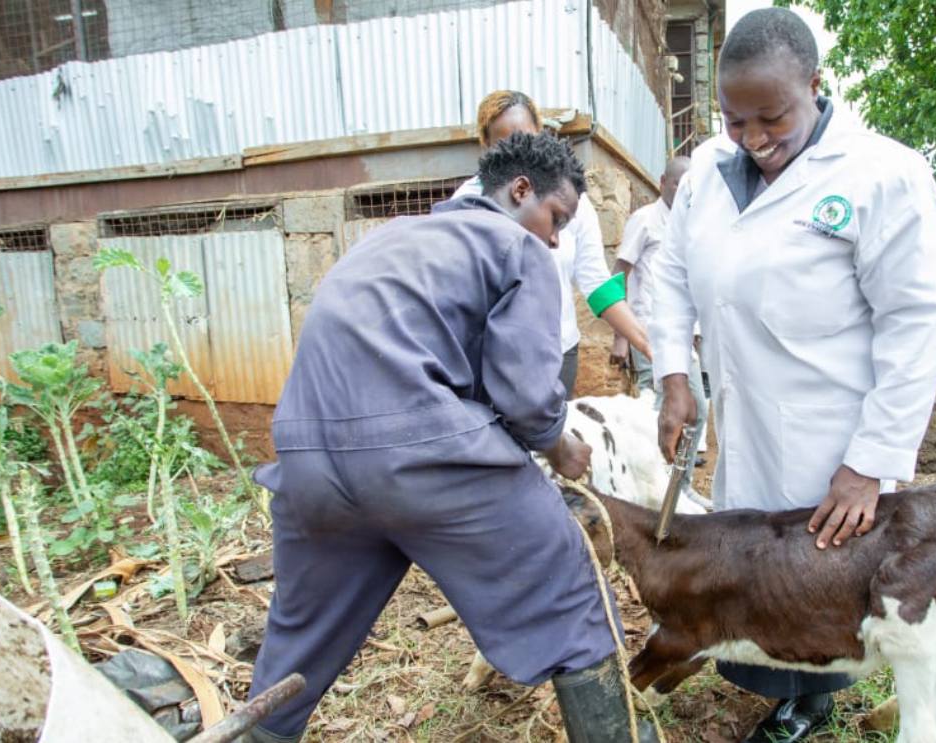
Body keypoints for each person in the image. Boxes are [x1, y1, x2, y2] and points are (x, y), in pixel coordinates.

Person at [242, 133, 657, 743]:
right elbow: (523, 395)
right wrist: (559, 445)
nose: (554, 239)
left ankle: (259, 734)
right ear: (520, 191)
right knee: (568, 576)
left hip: (308, 465)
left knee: (304, 631)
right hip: (421, 453)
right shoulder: (518, 247)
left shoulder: (385, 239)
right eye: (556, 219)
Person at [649, 8, 936, 742]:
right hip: (746, 418)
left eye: (772, 117)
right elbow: (671, 274)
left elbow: (914, 323)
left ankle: (812, 700)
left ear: (816, 85)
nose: (754, 139)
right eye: (734, 119)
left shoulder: (884, 174)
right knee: (754, 562)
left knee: (821, 576)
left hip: (832, 433)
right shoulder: (706, 181)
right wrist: (673, 374)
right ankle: (776, 678)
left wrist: (870, 462)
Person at [454, 90, 652, 397]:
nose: (520, 154)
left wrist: (644, 341)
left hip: (558, 352)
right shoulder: (468, 203)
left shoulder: (568, 198)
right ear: (488, 147)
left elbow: (596, 283)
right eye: (506, 144)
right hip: (493, 362)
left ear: (541, 135)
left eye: (527, 139)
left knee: (553, 441)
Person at [608, 156, 709, 482]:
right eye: (678, 183)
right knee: (660, 409)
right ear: (663, 181)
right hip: (646, 331)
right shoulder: (645, 220)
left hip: (679, 333)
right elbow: (619, 274)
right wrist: (621, 337)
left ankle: (676, 487)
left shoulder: (690, 223)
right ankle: (655, 484)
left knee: (693, 410)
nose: (683, 191)